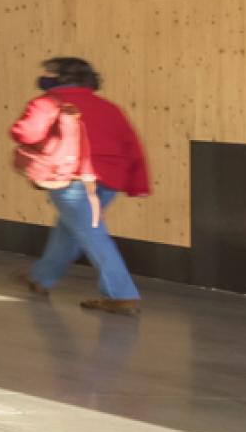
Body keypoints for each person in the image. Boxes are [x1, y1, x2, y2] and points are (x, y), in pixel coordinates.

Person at [11, 55, 152, 314]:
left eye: (49, 73)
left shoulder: (47, 102)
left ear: (60, 77)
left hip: (70, 178)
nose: (44, 77)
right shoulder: (109, 107)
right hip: (109, 180)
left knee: (93, 234)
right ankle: (41, 277)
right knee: (70, 230)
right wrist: (137, 183)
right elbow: (132, 146)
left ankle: (122, 295)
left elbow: (24, 133)